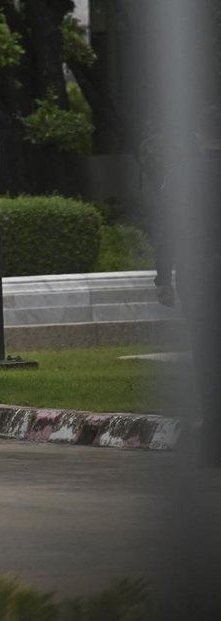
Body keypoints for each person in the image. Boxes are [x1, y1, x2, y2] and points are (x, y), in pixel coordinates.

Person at [154, 106, 221, 467]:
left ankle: (213, 432)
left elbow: (166, 231)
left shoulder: (179, 176)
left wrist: (163, 278)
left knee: (206, 352)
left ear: (198, 134)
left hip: (199, 274)